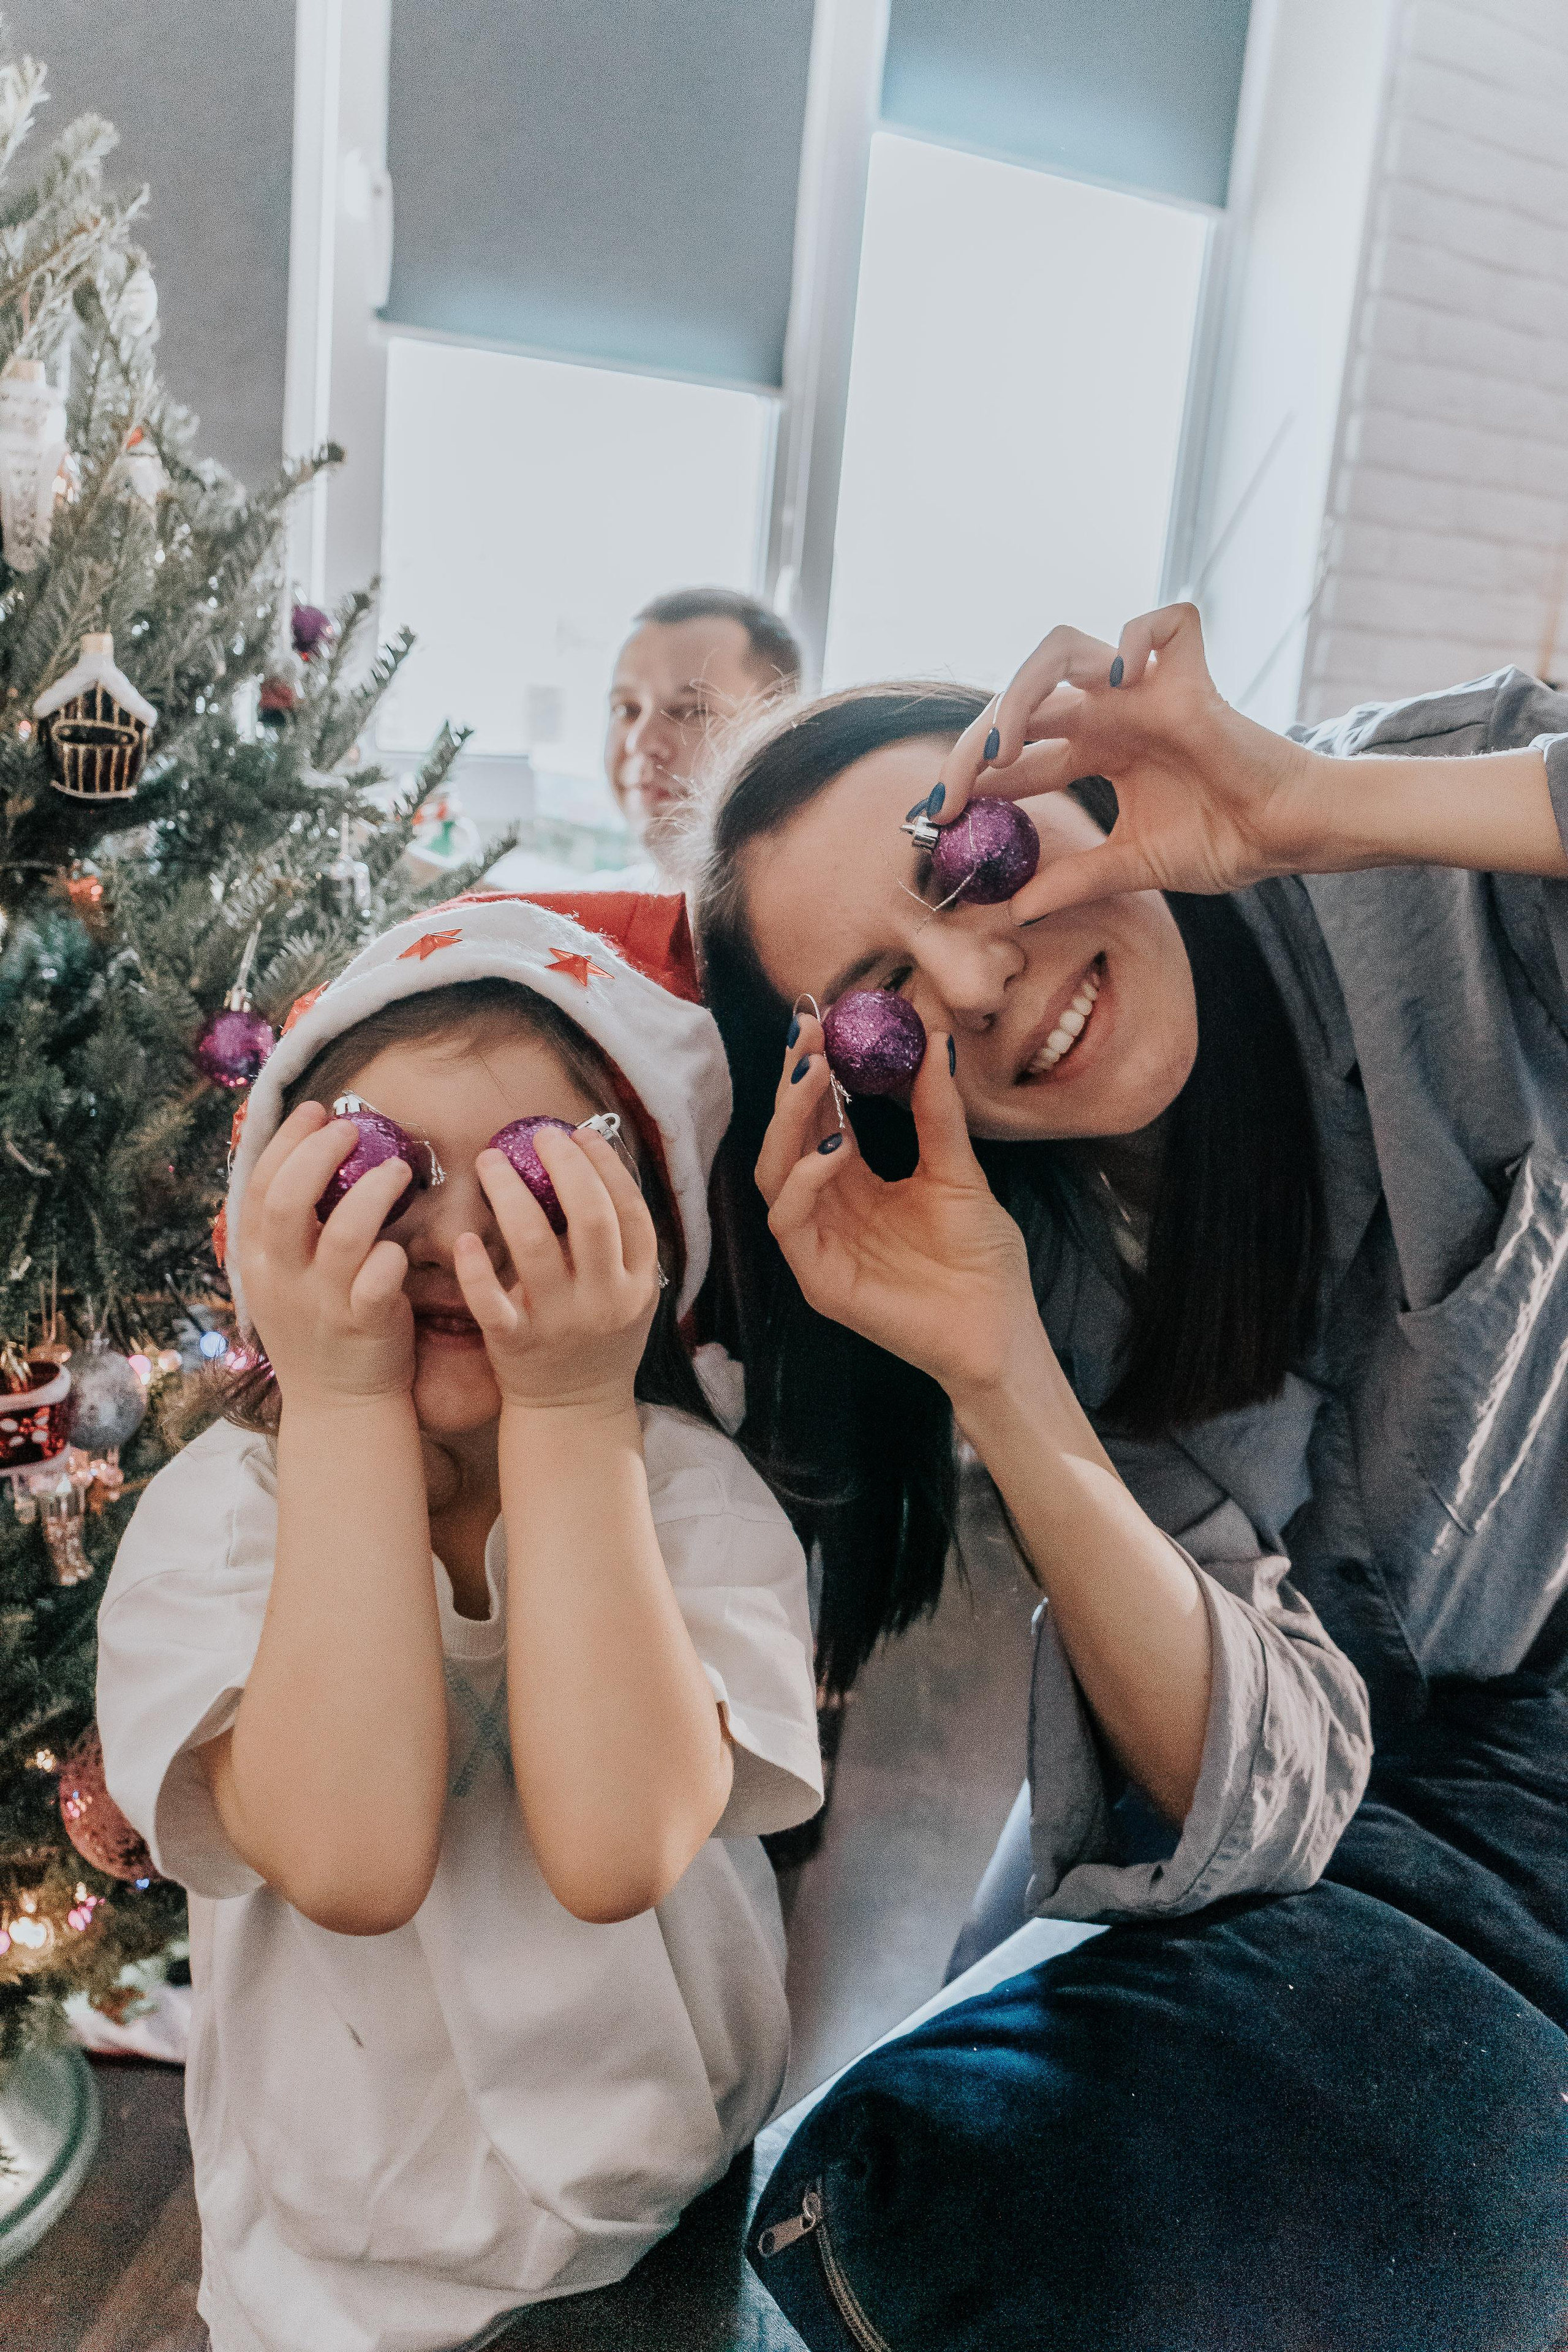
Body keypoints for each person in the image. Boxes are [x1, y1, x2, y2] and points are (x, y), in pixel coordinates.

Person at [695, 607, 1568, 2350]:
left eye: (971, 872)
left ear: (1066, 789)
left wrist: (1315, 804)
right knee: (925, 2129)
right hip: (1397, 1762)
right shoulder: (1071, 1274)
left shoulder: (1428, 835)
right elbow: (1271, 1789)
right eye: (877, 1023)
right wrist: (999, 1368)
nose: (975, 990)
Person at [95, 891, 821, 2352]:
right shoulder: (220, 1517)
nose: (441, 1236)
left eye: (538, 1181)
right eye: (370, 1168)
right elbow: (348, 1856)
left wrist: (567, 1407)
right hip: (331, 2247)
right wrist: (349, 1401)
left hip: (664, 2211)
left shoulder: (692, 1504)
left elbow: (618, 1846)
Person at [605, 588, 802, 881]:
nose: (639, 742)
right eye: (627, 709)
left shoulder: (811, 922)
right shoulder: (581, 912)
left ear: (777, 730)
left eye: (692, 711)